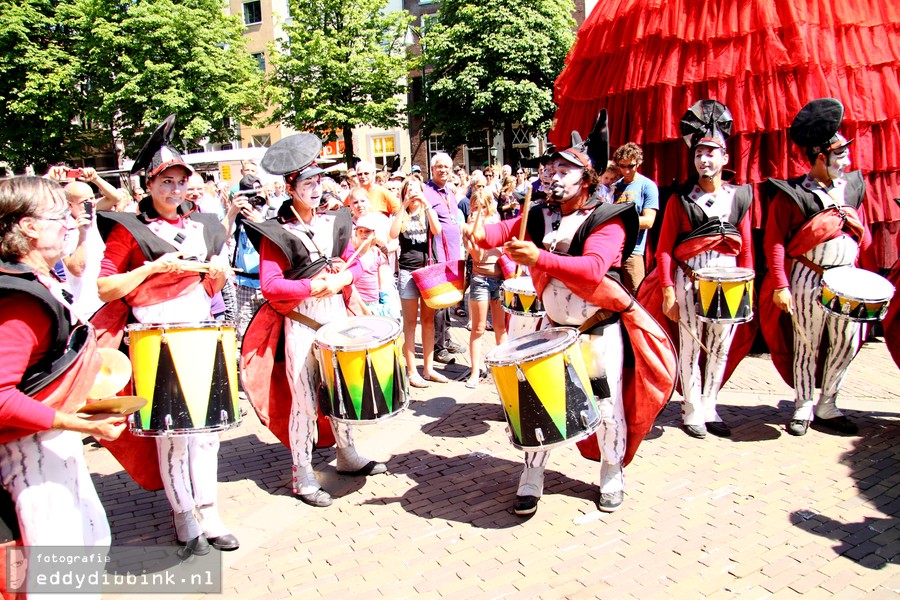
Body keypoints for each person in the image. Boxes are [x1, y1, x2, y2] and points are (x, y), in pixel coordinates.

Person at [466, 143, 675, 516]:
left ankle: (611, 471)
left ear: (586, 178)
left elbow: (593, 268)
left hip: (597, 331)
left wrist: (538, 257)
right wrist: (477, 230)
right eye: (552, 170)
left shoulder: (608, 218)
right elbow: (498, 233)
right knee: (538, 407)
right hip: (552, 331)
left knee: (608, 408)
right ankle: (531, 477)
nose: (554, 176)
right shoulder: (541, 214)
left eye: (565, 171)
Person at [94, 116, 238, 555]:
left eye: (181, 182)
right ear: (149, 186)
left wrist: (217, 274)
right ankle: (184, 517)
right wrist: (150, 268)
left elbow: (211, 287)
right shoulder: (127, 230)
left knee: (208, 431)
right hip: (154, 339)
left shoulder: (203, 226)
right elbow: (105, 288)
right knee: (174, 433)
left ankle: (210, 512)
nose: (175, 191)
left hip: (199, 333)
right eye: (166, 182)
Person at [241, 133, 386, 508]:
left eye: (319, 181)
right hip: (302, 324)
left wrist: (345, 277)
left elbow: (351, 259)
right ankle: (302, 474)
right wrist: (314, 284)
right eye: (308, 183)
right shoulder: (277, 232)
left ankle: (347, 454)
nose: (317, 188)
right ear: (291, 188)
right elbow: (272, 288)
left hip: (337, 320)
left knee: (342, 393)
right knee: (304, 402)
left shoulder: (333, 221)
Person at [0, 176, 126, 582]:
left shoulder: (40, 280)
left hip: (51, 442)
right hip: (29, 451)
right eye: (59, 215)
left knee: (90, 544)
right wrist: (76, 421)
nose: (70, 223)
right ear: (28, 227)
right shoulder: (19, 300)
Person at [762, 98, 876, 437]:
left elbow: (862, 234)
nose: (848, 160)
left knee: (847, 341)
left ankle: (829, 403)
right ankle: (803, 405)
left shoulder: (853, 188)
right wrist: (781, 285)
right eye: (841, 154)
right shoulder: (793, 194)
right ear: (821, 158)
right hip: (808, 277)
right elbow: (775, 242)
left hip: (847, 278)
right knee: (807, 343)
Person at [644, 100, 755, 439]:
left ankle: (711, 405)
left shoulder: (740, 197)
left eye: (711, 153)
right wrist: (667, 290)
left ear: (724, 158)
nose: (704, 159)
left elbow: (747, 247)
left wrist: (748, 285)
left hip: (730, 281)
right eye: (698, 154)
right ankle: (690, 408)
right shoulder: (680, 199)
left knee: (720, 346)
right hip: (689, 280)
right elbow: (664, 249)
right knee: (691, 347)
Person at [390, 175, 445, 388]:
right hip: (407, 272)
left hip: (427, 273)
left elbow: (437, 231)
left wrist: (426, 202)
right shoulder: (402, 214)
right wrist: (402, 206)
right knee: (410, 323)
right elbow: (393, 234)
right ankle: (412, 371)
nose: (413, 194)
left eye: (416, 189)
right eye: (409, 190)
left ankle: (428, 369)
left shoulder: (426, 212)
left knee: (429, 321)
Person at [462, 188, 507, 388]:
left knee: (500, 327)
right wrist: (471, 236)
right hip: (480, 278)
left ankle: (503, 367)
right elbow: (478, 257)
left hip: (499, 279)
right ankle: (474, 372)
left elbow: (505, 248)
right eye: (476, 208)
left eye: (484, 207)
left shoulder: (497, 225)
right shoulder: (470, 227)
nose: (480, 211)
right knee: (478, 327)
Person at [425, 153, 466, 364]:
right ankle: (438, 347)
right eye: (439, 167)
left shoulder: (449, 192)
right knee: (439, 304)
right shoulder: (426, 192)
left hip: (453, 255)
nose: (443, 170)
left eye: (446, 167)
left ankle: (447, 338)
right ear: (432, 169)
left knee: (449, 300)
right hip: (438, 256)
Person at [612, 142, 659, 294]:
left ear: (638, 162)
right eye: (622, 166)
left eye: (631, 166)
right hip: (611, 249)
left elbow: (649, 221)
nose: (626, 171)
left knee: (637, 299)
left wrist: (618, 223)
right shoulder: (614, 186)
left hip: (632, 251)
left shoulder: (647, 185)